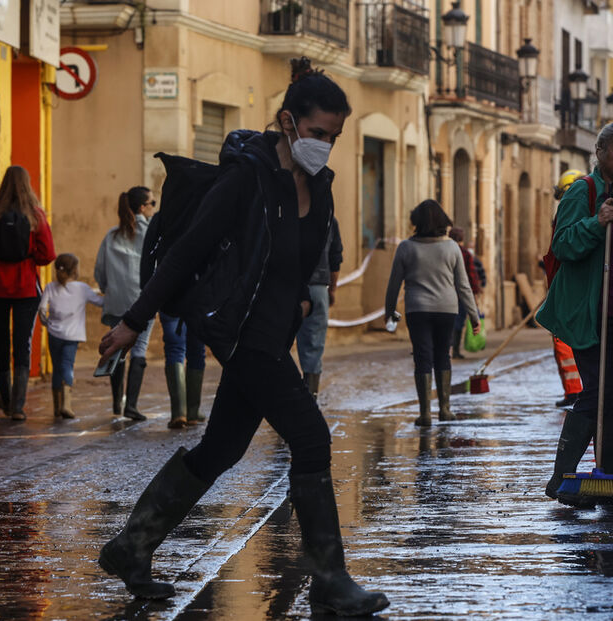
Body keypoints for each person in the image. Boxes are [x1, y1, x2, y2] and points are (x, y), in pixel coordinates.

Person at [95, 57, 389, 616]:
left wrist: (303, 296)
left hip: (274, 334)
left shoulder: (320, 186)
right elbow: (185, 254)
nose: (324, 145)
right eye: (317, 132)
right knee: (311, 437)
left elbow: (308, 261)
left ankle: (130, 548)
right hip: (242, 334)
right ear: (287, 122)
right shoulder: (245, 177)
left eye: (334, 136)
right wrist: (135, 320)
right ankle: (329, 582)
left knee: (222, 448)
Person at [535, 122, 613, 500]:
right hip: (592, 314)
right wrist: (596, 223)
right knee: (599, 392)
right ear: (601, 153)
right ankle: (561, 478)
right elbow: (564, 244)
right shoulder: (583, 192)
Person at [385, 200, 480, 427]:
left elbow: (394, 284)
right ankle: (445, 410)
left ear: (416, 221)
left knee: (422, 356)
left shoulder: (406, 248)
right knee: (442, 355)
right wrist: (474, 315)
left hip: (417, 309)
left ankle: (425, 413)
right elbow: (463, 285)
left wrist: (390, 312)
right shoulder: (451, 247)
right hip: (446, 309)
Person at [0, 165, 56, 421]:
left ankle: (6, 398)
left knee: (0, 343)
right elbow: (48, 256)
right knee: (23, 343)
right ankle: (17, 406)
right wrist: (28, 254)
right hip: (25, 288)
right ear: (27, 184)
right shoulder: (36, 216)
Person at [94, 186, 157, 421]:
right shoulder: (150, 233)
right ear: (142, 207)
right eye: (152, 203)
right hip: (142, 301)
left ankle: (116, 403)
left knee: (116, 347)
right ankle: (131, 405)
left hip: (115, 300)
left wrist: (107, 290)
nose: (154, 208)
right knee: (139, 350)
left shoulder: (111, 235)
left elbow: (99, 270)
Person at [39, 253, 104, 419]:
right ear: (75, 270)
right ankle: (66, 405)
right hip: (72, 336)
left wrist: (46, 322)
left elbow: (42, 309)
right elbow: (100, 302)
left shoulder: (50, 287)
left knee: (56, 368)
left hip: (54, 334)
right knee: (67, 365)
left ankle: (56, 407)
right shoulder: (82, 289)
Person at [548, 169, 586, 409]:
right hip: (564, 286)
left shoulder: (571, 216)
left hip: (568, 290)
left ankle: (575, 391)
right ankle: (576, 391)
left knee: (563, 341)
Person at [295, 214, 342, 401]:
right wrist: (333, 289)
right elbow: (335, 257)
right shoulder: (329, 219)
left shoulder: (287, 211)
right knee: (314, 346)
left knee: (279, 344)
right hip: (318, 287)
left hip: (288, 286)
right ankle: (310, 397)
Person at [159, 312, 208, 428]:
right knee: (197, 351)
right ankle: (192, 413)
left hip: (171, 302)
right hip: (198, 303)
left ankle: (179, 413)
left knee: (175, 349)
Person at [447, 226, 481, 359]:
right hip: (461, 294)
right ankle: (455, 349)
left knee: (449, 321)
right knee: (459, 321)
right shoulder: (466, 254)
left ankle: (448, 348)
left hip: (448, 293)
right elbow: (471, 276)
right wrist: (475, 293)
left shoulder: (446, 252)